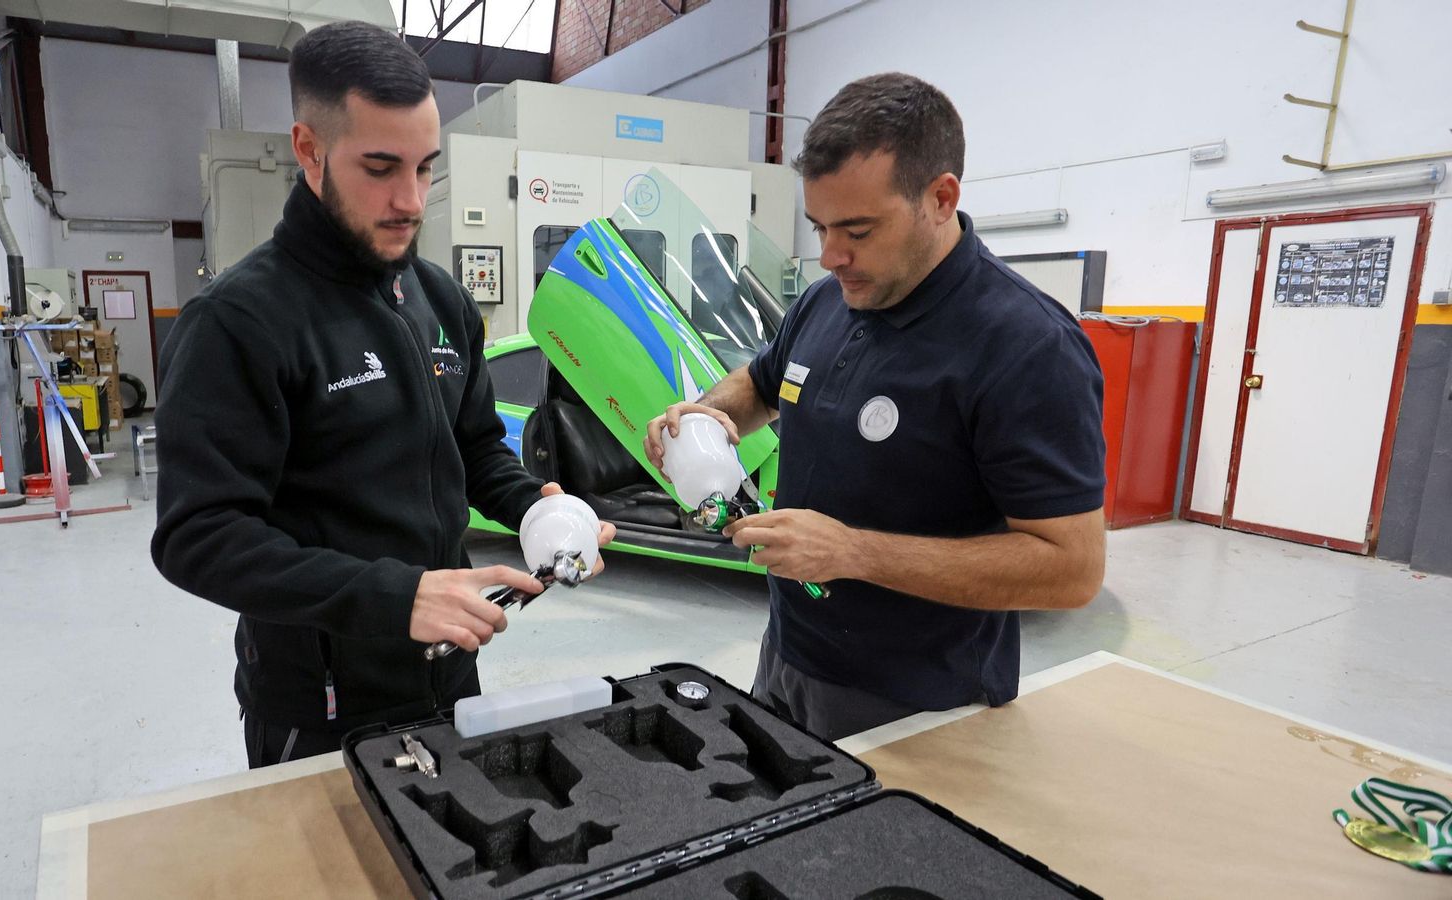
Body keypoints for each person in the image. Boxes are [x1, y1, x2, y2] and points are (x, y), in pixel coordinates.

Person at [152, 21, 611, 767]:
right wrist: (394, 599)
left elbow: (474, 450)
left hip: (450, 672)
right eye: (380, 167)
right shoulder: (240, 322)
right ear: (309, 150)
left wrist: (540, 510)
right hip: (323, 708)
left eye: (426, 168)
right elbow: (198, 537)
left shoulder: (439, 300)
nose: (410, 199)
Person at [645, 73, 1106, 741]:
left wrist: (854, 553)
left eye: (857, 229)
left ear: (941, 198)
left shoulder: (1026, 347)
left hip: (917, 703)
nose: (831, 255)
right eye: (820, 227)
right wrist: (710, 413)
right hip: (788, 658)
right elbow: (763, 383)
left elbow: (1072, 568)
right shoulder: (829, 299)